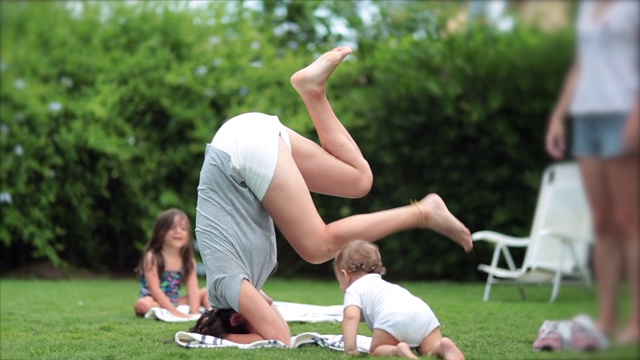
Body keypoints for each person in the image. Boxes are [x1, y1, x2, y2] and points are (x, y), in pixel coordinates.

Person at [195, 46, 473, 345]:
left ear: (236, 317)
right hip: (245, 137)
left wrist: (225, 339)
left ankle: (423, 212)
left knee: (317, 246)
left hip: (238, 152)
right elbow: (270, 311)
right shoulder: (232, 282)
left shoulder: (227, 285)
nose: (271, 308)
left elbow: (279, 337)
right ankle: (312, 91)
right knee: (358, 179)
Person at [545, 0, 639, 345]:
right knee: (602, 222)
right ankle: (608, 318)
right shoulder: (586, 7)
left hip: (622, 112)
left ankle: (637, 322)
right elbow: (581, 66)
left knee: (630, 221)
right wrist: (558, 116)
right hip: (586, 117)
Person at [333, 240, 464, 359]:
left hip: (392, 316)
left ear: (345, 275)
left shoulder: (354, 289)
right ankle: (441, 346)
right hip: (421, 312)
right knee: (428, 349)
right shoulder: (383, 285)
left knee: (376, 350)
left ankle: (398, 351)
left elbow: (351, 317)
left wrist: (350, 349)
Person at [134, 208, 211, 318]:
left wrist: (194, 312)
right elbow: (154, 289)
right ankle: (165, 309)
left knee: (208, 292)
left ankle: (210, 314)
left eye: (183, 229)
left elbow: (193, 289)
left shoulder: (188, 261)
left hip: (176, 301)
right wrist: (175, 312)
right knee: (141, 305)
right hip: (154, 301)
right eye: (172, 228)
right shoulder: (152, 257)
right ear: (160, 232)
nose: (178, 231)